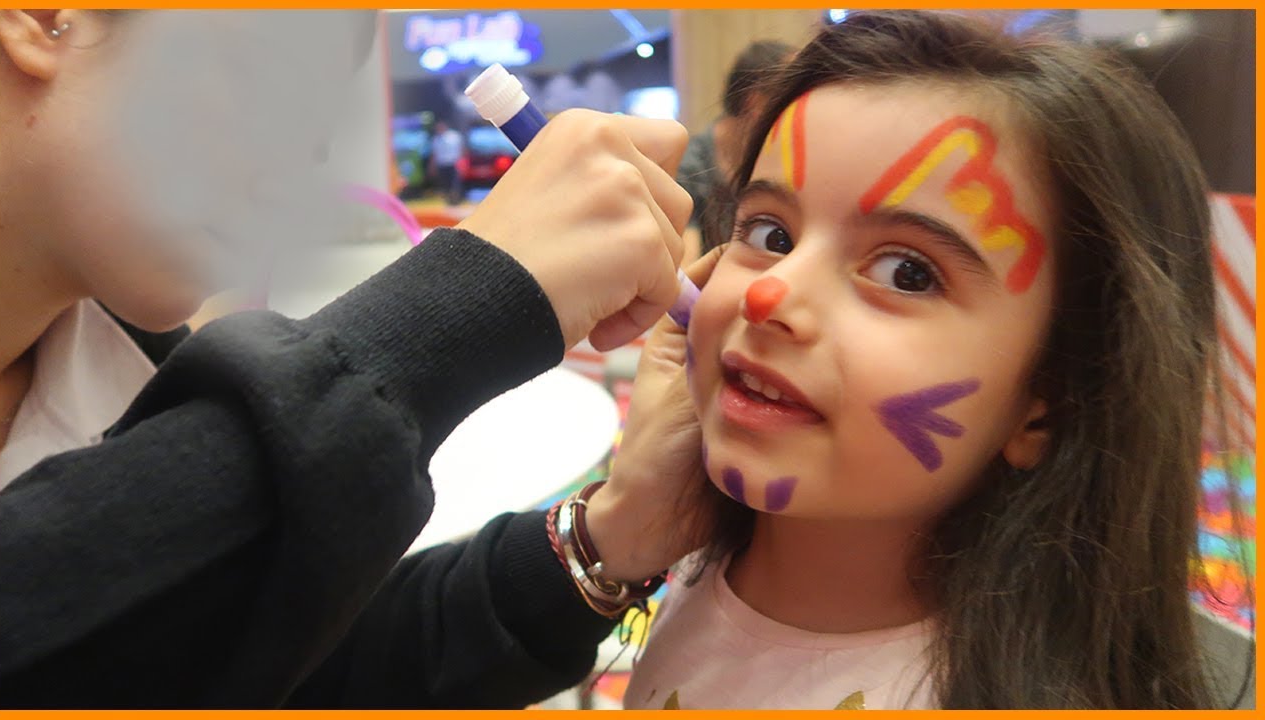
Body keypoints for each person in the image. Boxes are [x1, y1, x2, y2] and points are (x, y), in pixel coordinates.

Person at [0, 9, 715, 708]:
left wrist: (612, 532)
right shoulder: (166, 405)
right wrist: (465, 300)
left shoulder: (132, 371)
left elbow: (268, 668)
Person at [620, 10, 1254, 709]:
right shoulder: (688, 555)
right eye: (771, 234)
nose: (768, 295)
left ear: (1049, 403)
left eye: (907, 273)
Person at [675, 40, 793, 256]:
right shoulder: (688, 166)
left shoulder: (785, 161)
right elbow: (686, 268)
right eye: (790, 100)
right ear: (755, 103)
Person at [429, 120, 465, 205]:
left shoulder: (454, 136)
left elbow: (462, 149)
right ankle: (449, 201)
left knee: (455, 183)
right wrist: (432, 166)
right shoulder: (436, 139)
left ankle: (456, 200)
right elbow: (434, 154)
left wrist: (462, 162)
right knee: (445, 184)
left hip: (453, 163)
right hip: (442, 164)